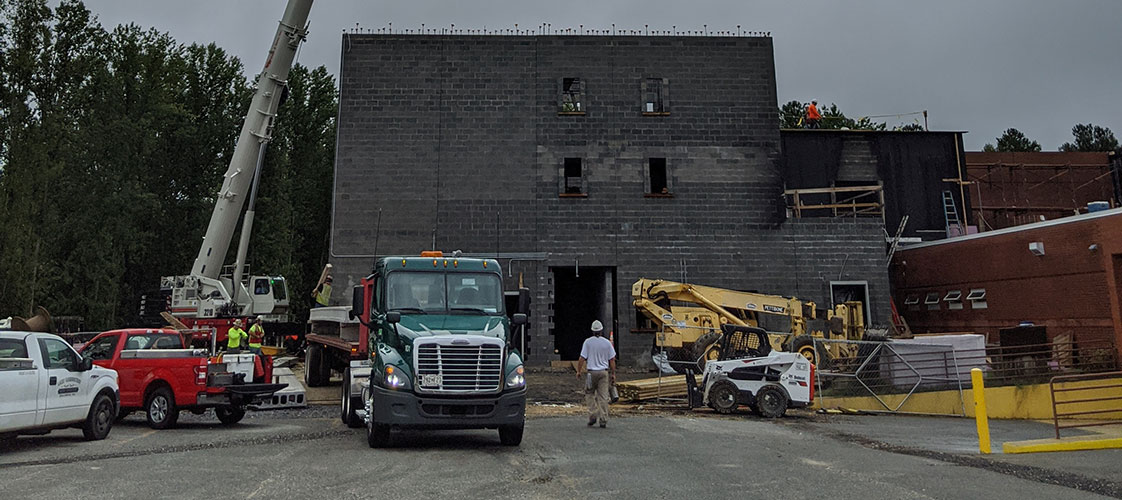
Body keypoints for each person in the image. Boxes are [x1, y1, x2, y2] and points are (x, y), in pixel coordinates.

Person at [576, 319, 616, 428]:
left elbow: (582, 358)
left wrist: (579, 371)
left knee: (589, 393)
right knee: (603, 396)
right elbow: (612, 359)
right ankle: (603, 419)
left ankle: (593, 414)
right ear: (602, 331)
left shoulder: (588, 342)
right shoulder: (607, 343)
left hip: (591, 373)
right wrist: (613, 373)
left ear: (592, 331)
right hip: (603, 373)